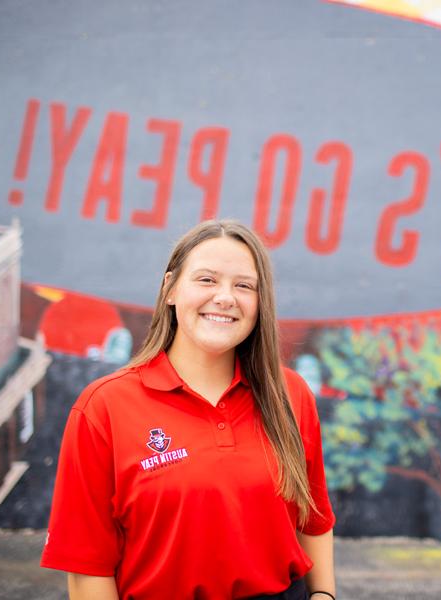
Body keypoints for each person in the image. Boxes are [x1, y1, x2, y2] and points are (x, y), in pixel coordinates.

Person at [40, 220, 336, 600]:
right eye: (207, 280)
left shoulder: (291, 394)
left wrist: (324, 596)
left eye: (244, 285)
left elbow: (314, 520)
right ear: (170, 290)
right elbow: (86, 568)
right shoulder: (104, 408)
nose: (226, 298)